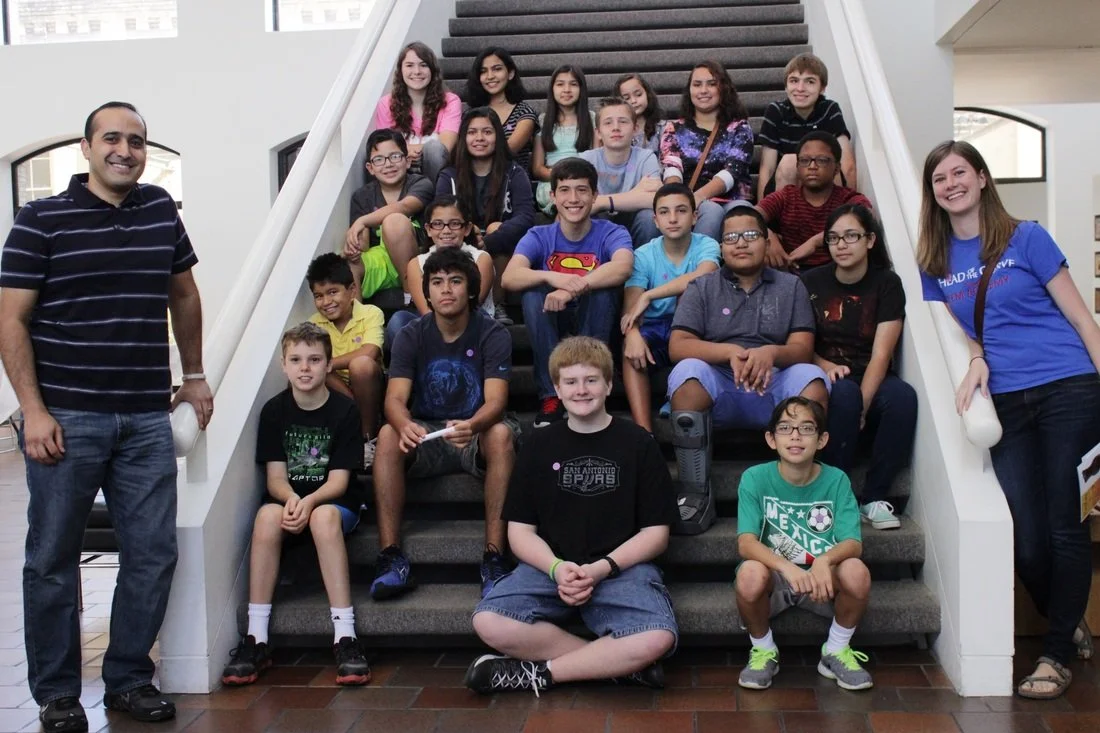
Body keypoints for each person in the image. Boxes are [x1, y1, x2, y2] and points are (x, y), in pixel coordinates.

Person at [0, 101, 213, 730]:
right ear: (87, 149)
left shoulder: (159, 214)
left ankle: (126, 679)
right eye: (113, 139)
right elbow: (10, 321)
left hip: (146, 416)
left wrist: (194, 375)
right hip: (67, 418)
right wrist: (33, 411)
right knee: (51, 560)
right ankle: (58, 693)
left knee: (152, 554)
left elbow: (184, 295)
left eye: (138, 141)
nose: (126, 150)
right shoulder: (41, 219)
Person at [918, 140, 1100, 699]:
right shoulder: (935, 260)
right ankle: (1067, 619)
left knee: (1066, 525)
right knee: (1025, 533)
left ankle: (1054, 655)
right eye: (939, 179)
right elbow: (963, 327)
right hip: (1007, 402)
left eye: (958, 173)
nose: (950, 184)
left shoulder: (1028, 237)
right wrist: (976, 358)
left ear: (982, 177)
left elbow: (1079, 314)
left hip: (1069, 386)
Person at [465, 336, 678, 695]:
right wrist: (557, 568)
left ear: (609, 385)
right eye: (571, 382)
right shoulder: (537, 445)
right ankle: (617, 668)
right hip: (549, 569)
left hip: (621, 569)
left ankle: (540, 674)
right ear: (557, 390)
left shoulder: (639, 443)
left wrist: (600, 569)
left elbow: (656, 534)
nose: (582, 390)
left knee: (658, 637)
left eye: (591, 380)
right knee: (488, 620)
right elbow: (519, 533)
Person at [222, 323, 370, 688]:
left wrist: (309, 501)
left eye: (315, 360)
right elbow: (274, 478)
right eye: (297, 360)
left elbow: (339, 482)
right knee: (266, 515)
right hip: (288, 500)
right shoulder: (274, 411)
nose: (305, 368)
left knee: (321, 518)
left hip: (334, 503)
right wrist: (291, 499)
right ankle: (256, 637)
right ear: (284, 365)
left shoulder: (344, 411)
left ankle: (345, 636)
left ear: (328, 365)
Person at [666, 205, 829, 534]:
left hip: (774, 382)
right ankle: (695, 492)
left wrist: (770, 352)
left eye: (751, 235)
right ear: (722, 247)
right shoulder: (702, 287)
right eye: (731, 237)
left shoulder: (790, 286)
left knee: (812, 379)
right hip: (721, 382)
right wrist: (727, 352)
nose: (741, 243)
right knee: (687, 373)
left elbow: (802, 348)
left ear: (768, 242)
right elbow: (678, 344)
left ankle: (804, 490)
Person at [371, 248, 520, 601]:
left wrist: (474, 424)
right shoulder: (411, 334)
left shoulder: (493, 333)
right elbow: (393, 399)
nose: (446, 289)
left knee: (500, 435)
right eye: (436, 282)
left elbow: (497, 402)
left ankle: (494, 558)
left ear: (470, 289)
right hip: (428, 432)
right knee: (388, 434)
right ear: (426, 292)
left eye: (455, 281)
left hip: (476, 430)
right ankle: (391, 558)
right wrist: (405, 424)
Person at [735, 397, 873, 692]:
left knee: (856, 571)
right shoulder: (755, 478)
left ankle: (835, 650)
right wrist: (786, 567)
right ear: (771, 439)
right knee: (749, 573)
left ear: (822, 439)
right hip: (776, 580)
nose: (795, 436)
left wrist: (823, 561)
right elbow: (746, 544)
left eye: (806, 428)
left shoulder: (836, 480)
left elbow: (853, 543)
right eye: (785, 428)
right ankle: (763, 650)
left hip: (822, 584)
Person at [803, 204, 915, 530]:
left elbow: (882, 353)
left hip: (873, 372)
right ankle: (832, 496)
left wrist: (864, 407)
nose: (841, 244)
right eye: (834, 237)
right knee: (845, 396)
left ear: (869, 240)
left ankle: (874, 498)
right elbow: (799, 342)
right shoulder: (810, 282)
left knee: (903, 399)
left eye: (851, 236)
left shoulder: (887, 283)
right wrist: (824, 364)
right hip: (826, 371)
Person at [502, 158, 634, 427]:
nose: (573, 198)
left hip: (596, 318)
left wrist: (573, 289)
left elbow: (622, 267)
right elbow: (510, 277)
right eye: (564, 190)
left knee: (602, 291)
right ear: (552, 196)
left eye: (582, 190)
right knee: (532, 294)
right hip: (553, 319)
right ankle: (552, 395)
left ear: (595, 195)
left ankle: (592, 386)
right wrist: (556, 278)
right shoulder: (539, 235)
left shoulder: (612, 232)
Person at [621, 183, 720, 432]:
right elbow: (631, 307)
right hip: (655, 327)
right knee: (630, 346)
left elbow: (703, 274)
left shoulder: (707, 245)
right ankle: (644, 432)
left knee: (691, 291)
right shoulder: (643, 255)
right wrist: (631, 335)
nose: (673, 218)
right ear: (655, 220)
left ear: (695, 216)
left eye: (681, 211)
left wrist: (650, 295)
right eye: (664, 212)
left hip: (695, 327)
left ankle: (677, 396)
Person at [436, 107, 535, 325]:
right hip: (459, 240)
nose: (479, 138)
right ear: (463, 137)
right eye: (472, 132)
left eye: (487, 132)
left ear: (498, 137)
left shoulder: (515, 172)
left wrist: (487, 242)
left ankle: (497, 304)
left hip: (498, 244)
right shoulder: (449, 175)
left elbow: (526, 216)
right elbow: (440, 215)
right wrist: (468, 237)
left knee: (497, 227)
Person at [659, 60, 755, 243]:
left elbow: (732, 172)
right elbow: (671, 167)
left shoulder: (739, 128)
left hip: (729, 200)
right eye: (697, 84)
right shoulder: (674, 128)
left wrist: (698, 198)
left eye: (711, 84)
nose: (703, 90)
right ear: (689, 90)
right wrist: (679, 200)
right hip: (684, 200)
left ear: (723, 88)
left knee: (716, 210)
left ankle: (702, 269)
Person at [306, 254, 385, 467]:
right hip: (335, 388)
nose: (326, 302)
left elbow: (369, 352)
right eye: (318, 296)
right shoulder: (314, 324)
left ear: (351, 290)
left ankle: (367, 439)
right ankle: (315, 451)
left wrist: (326, 364)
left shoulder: (370, 313)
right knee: (307, 372)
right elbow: (313, 365)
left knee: (360, 365)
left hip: (369, 384)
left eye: (333, 292)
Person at [386, 196, 496, 344]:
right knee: (399, 320)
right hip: (432, 326)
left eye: (454, 224)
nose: (446, 230)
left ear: (467, 229)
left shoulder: (481, 259)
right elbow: (426, 311)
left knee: (478, 316)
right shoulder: (416, 264)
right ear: (428, 230)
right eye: (437, 224)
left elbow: (471, 304)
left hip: (470, 325)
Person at [757, 131, 872, 271]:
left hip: (836, 273)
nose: (812, 166)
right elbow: (750, 214)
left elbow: (865, 216)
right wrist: (767, 234)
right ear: (798, 168)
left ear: (836, 168)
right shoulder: (786, 196)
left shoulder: (846, 199)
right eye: (805, 160)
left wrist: (815, 242)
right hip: (793, 272)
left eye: (822, 160)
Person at [343, 129, 434, 300]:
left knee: (394, 222)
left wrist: (362, 221)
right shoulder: (362, 196)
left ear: (407, 161)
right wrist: (353, 249)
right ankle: (360, 322)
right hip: (382, 263)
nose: (388, 164)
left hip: (416, 259)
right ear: (370, 168)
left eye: (395, 156)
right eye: (379, 160)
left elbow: (406, 206)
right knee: (349, 265)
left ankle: (411, 294)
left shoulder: (420, 183)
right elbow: (363, 246)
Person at [756, 53, 857, 201]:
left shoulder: (830, 109)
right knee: (791, 161)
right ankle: (786, 222)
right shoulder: (776, 111)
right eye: (794, 81)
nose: (800, 88)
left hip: (825, 186)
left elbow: (847, 164)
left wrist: (850, 209)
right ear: (786, 86)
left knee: (825, 162)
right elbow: (767, 168)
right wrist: (760, 214)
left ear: (822, 88)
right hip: (786, 185)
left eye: (810, 82)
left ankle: (830, 219)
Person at [372, 41, 462, 183]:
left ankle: (435, 200)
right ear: (400, 70)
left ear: (432, 70)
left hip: (437, 169)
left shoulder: (450, 101)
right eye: (409, 65)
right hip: (401, 170)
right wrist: (406, 152)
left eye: (423, 65)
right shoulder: (386, 103)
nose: (417, 71)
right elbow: (384, 145)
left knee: (434, 149)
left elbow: (445, 146)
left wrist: (406, 148)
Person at [581, 97, 662, 248]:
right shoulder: (586, 160)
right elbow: (579, 203)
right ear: (598, 133)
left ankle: (641, 266)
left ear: (635, 129)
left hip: (635, 224)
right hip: (599, 225)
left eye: (623, 121)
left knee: (649, 216)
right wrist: (635, 195)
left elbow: (655, 200)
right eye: (608, 122)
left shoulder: (646, 157)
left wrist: (601, 202)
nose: (616, 127)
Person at [532, 65, 596, 214]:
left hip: (584, 178)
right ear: (552, 89)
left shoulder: (591, 119)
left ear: (581, 89)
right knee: (559, 195)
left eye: (573, 84)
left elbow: (597, 157)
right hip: (553, 181)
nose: (566, 89)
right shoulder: (544, 121)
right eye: (560, 84)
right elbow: (537, 168)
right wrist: (562, 177)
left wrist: (577, 179)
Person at [465, 47, 539, 172]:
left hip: (512, 180)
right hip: (475, 178)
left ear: (510, 73)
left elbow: (507, 151)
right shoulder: (471, 114)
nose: (490, 76)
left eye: (497, 69)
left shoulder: (524, 113)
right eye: (483, 71)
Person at [615, 72, 663, 151]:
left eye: (638, 94)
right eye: (627, 98)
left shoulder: (663, 128)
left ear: (647, 95)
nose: (633, 101)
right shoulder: (616, 131)